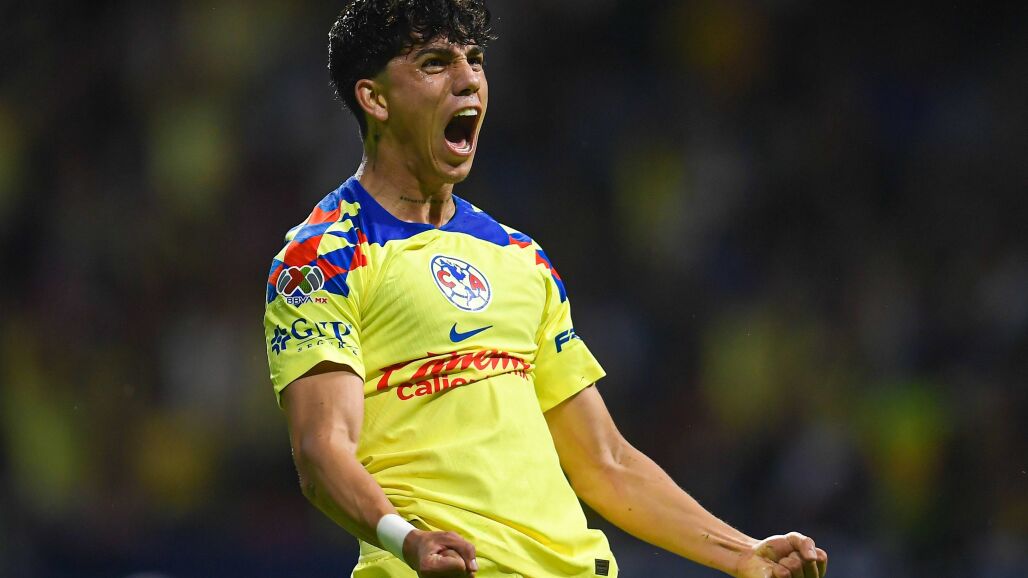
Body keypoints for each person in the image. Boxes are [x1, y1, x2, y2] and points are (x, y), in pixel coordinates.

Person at [263, 1, 829, 577]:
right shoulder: (323, 257)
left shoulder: (518, 256)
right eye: (435, 63)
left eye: (475, 60)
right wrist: (407, 540)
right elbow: (321, 450)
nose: (468, 79)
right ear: (375, 98)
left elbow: (605, 461)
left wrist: (744, 552)